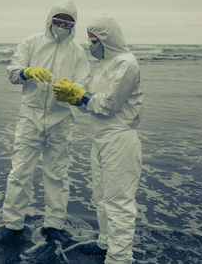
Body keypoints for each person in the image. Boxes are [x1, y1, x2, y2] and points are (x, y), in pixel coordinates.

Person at [0, 0, 90, 244]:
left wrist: (73, 90)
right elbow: (13, 72)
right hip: (31, 115)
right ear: (50, 19)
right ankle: (12, 223)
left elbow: (83, 84)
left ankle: (54, 224)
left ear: (73, 25)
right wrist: (27, 72)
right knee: (20, 172)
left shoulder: (77, 52)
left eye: (67, 23)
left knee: (57, 174)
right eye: (58, 20)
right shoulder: (32, 42)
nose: (61, 26)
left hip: (62, 118)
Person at [53, 16, 143, 264]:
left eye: (95, 40)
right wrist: (73, 96)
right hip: (101, 138)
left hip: (120, 139)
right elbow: (92, 105)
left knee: (119, 203)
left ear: (108, 39)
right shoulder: (104, 64)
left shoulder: (127, 64)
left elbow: (108, 105)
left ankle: (120, 258)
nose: (91, 45)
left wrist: (79, 95)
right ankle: (106, 244)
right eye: (89, 40)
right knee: (102, 198)